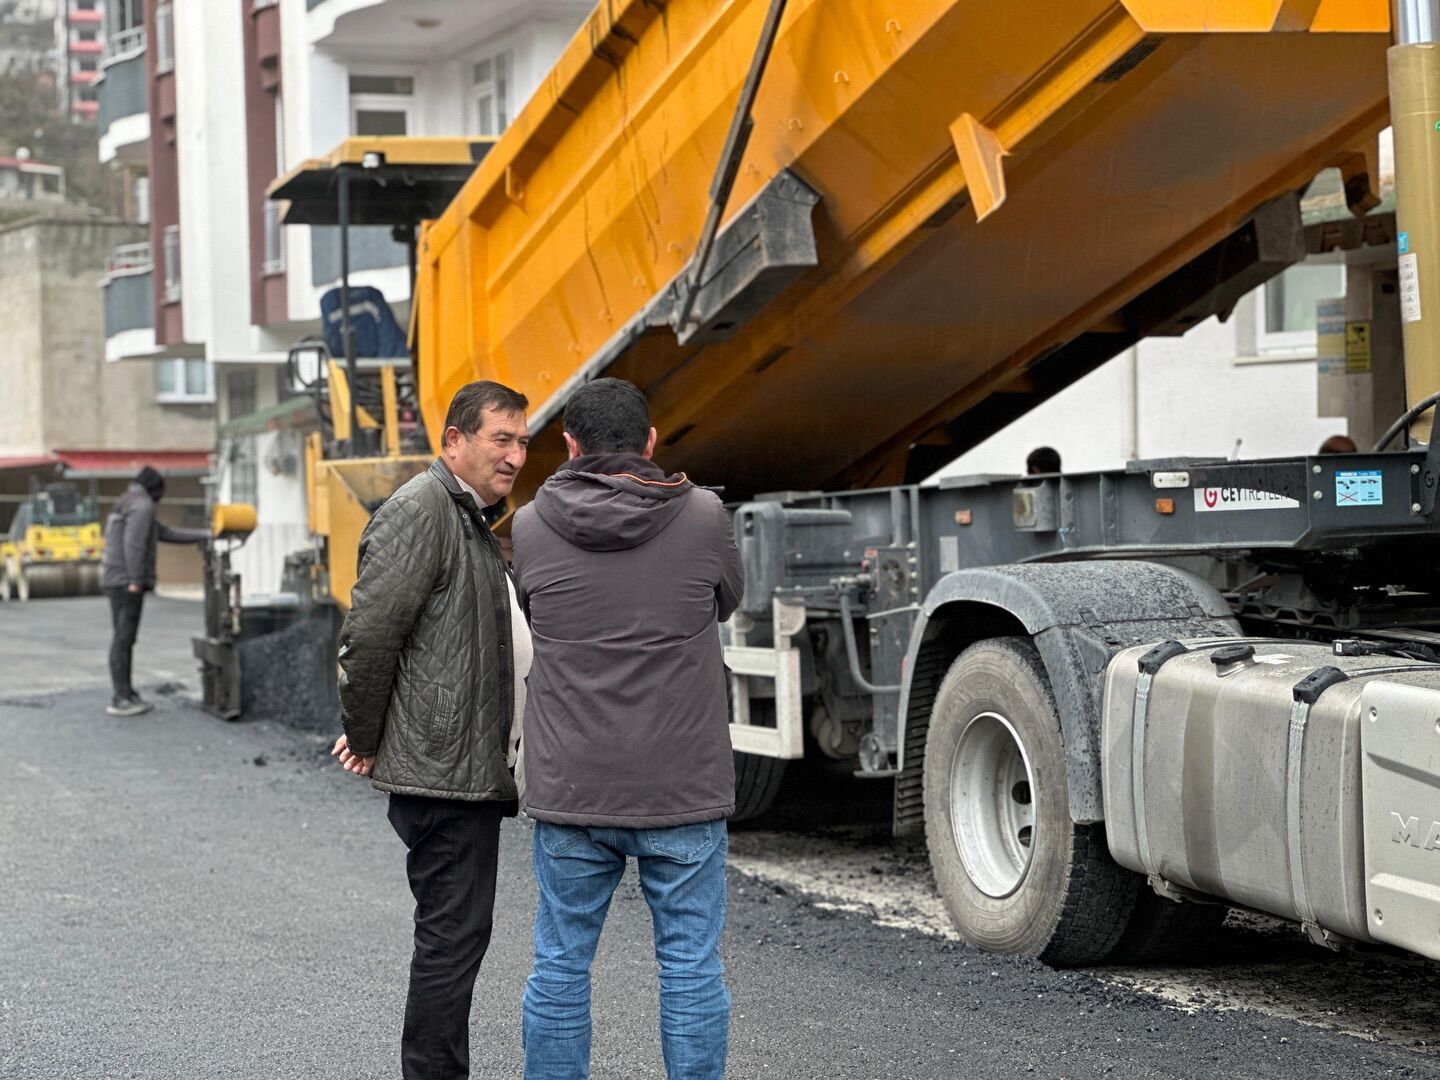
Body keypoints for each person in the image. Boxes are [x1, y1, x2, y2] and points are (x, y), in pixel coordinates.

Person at [512, 377, 744, 1080]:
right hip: (682, 782)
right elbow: (728, 600)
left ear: (570, 446)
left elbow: (536, 611)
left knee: (560, 961)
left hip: (573, 783)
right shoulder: (703, 515)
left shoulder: (528, 524)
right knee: (690, 964)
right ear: (650, 443)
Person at [330, 380, 532, 1080]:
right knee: (450, 943)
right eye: (500, 439)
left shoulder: (468, 515)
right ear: (454, 440)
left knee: (457, 940)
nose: (514, 455)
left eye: (523, 441)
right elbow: (370, 639)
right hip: (447, 776)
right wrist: (365, 737)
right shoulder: (423, 510)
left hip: (462, 770)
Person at [100, 465, 210, 717]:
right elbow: (134, 544)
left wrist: (205, 535)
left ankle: (125, 693)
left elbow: (164, 533)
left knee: (123, 637)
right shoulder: (142, 505)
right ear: (155, 488)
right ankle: (121, 698)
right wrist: (136, 580)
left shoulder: (130, 501)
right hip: (126, 581)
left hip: (117, 578)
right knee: (123, 638)